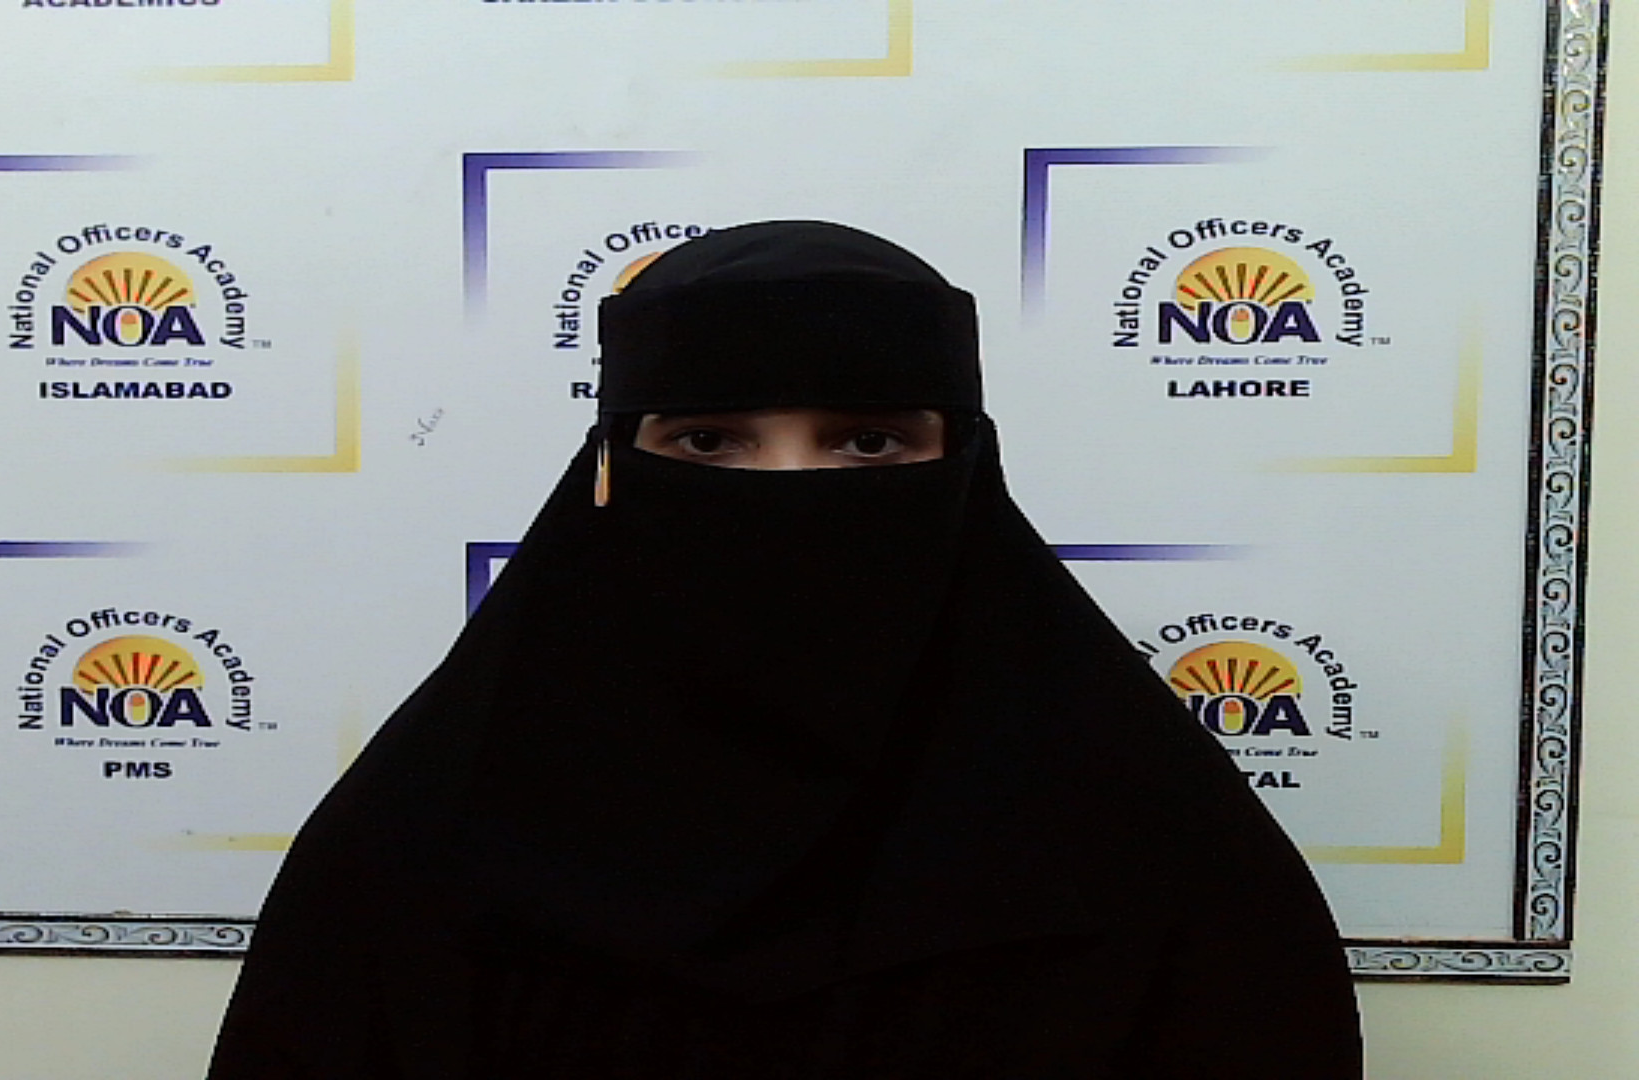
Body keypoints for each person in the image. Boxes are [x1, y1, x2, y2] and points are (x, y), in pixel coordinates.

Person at [209, 221, 1362, 1078]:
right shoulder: (424, 841)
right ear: (614, 469)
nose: (791, 491)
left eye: (867, 443)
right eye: (710, 441)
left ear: (963, 468)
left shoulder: (1155, 849)